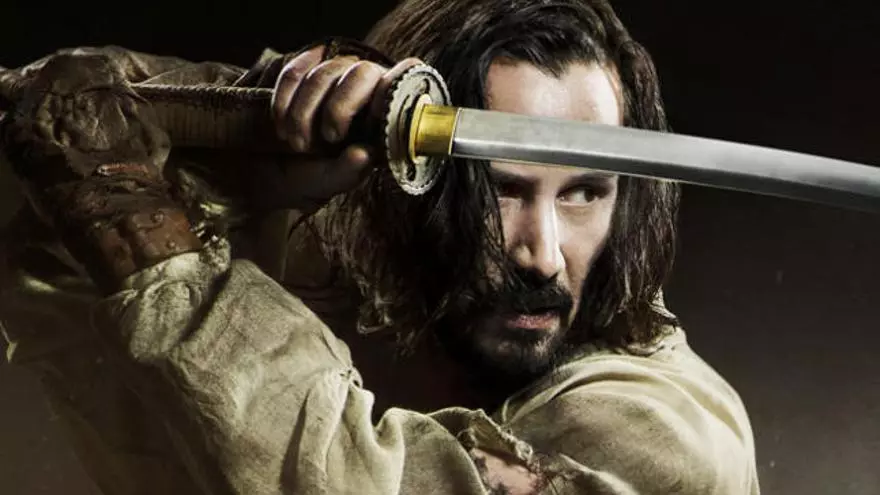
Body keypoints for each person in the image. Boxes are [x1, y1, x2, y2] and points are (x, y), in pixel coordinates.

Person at [0, 0, 759, 493]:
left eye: (584, 193)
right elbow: (85, 348)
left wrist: (137, 219)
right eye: (502, 189)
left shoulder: (663, 438)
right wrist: (234, 168)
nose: (543, 255)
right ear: (407, 182)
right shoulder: (389, 306)